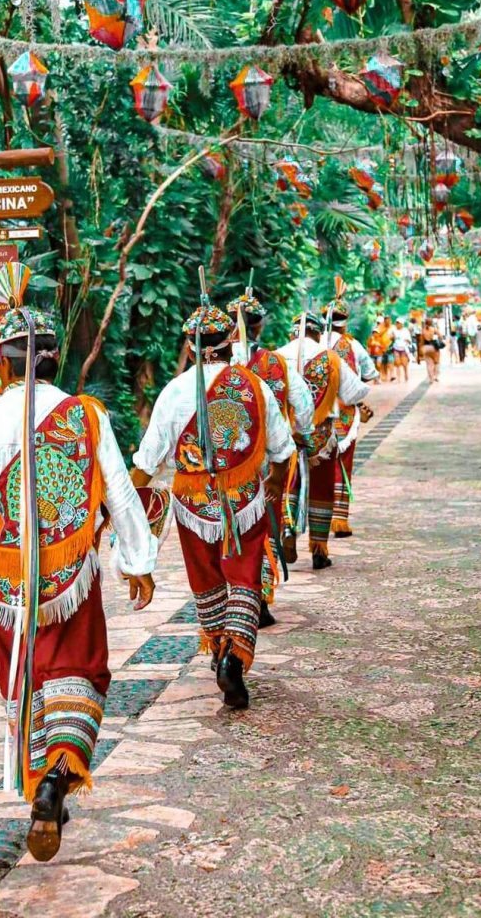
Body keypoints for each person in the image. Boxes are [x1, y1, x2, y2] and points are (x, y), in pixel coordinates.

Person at [0, 264, 157, 862]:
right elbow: (120, 493)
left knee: (24, 682)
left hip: (2, 586)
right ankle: (55, 776)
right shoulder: (87, 416)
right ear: (52, 361)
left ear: (4, 363)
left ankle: (41, 780)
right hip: (69, 578)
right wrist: (138, 559)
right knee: (78, 670)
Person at [131, 298, 294, 710]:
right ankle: (234, 657)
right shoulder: (253, 386)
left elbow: (148, 459)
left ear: (190, 345)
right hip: (243, 500)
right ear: (232, 341)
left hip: (192, 503)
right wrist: (274, 481)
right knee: (243, 575)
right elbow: (281, 447)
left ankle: (220, 643)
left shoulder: (173, 391)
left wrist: (123, 504)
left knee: (206, 577)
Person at [226, 285, 315, 628]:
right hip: (269, 462)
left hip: (228, 466)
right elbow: (304, 404)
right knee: (265, 526)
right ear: (259, 325)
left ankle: (232, 599)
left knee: (230, 530)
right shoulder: (276, 364)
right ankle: (259, 599)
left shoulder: (216, 367)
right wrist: (300, 432)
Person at [277, 310, 369, 570]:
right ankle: (319, 548)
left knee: (287, 483)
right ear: (317, 333)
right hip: (321, 436)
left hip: (288, 434)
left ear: (292, 332)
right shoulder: (329, 358)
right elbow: (354, 392)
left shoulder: (276, 357)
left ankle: (288, 529)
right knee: (321, 489)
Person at [320, 277, 378, 538]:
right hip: (344, 414)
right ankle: (339, 520)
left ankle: (311, 518)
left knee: (314, 465)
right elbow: (369, 374)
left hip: (314, 416)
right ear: (345, 322)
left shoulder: (309, 344)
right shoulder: (353, 345)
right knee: (343, 463)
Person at [420, 315, 443, 382]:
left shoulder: (423, 331)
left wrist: (421, 350)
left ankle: (431, 378)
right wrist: (439, 340)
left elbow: (421, 342)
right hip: (434, 347)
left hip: (426, 348)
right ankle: (436, 376)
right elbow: (441, 336)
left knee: (429, 364)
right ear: (431, 323)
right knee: (437, 362)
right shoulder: (434, 329)